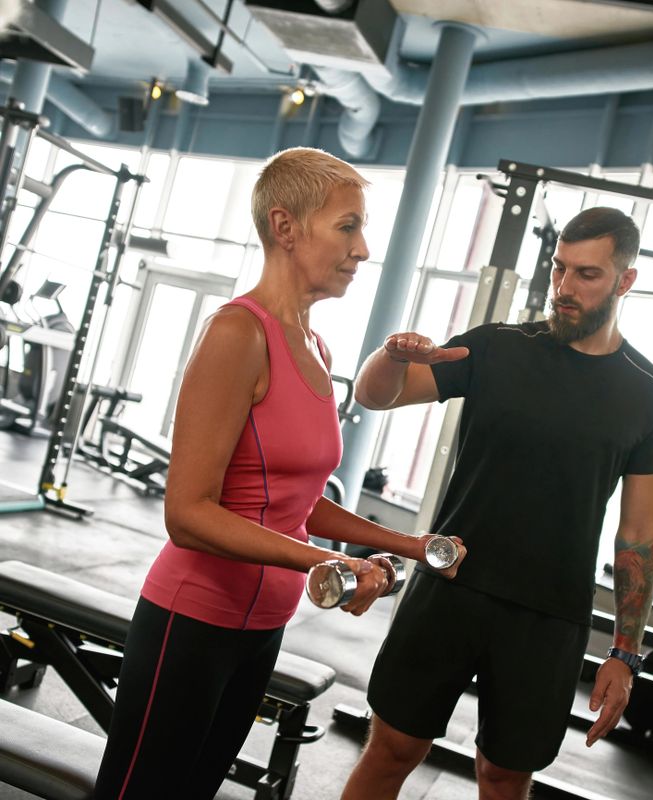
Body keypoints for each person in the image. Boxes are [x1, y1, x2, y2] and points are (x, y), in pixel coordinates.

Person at [93, 147, 466, 799]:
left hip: (262, 627)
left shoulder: (317, 346)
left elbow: (299, 502)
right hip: (192, 622)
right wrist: (328, 566)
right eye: (347, 226)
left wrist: (402, 543)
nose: (364, 248)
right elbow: (188, 514)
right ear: (286, 227)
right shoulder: (240, 333)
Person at [341, 207, 653, 800]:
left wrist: (624, 652)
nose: (565, 288)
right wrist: (393, 355)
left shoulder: (651, 394)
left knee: (503, 779)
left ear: (625, 281)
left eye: (587, 275)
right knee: (392, 750)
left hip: (548, 618)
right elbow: (375, 396)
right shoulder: (497, 346)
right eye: (559, 269)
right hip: (450, 585)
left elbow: (641, 534)